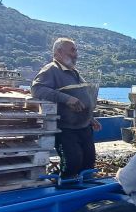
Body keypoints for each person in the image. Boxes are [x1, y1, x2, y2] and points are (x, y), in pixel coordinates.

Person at [31, 38, 99, 178]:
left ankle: (84, 192)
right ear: (59, 52)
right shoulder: (51, 70)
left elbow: (82, 96)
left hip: (84, 127)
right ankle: (64, 187)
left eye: (76, 50)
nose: (76, 54)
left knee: (89, 161)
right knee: (72, 163)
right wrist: (66, 98)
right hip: (66, 128)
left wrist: (89, 117)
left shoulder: (74, 71)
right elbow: (37, 89)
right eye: (72, 50)